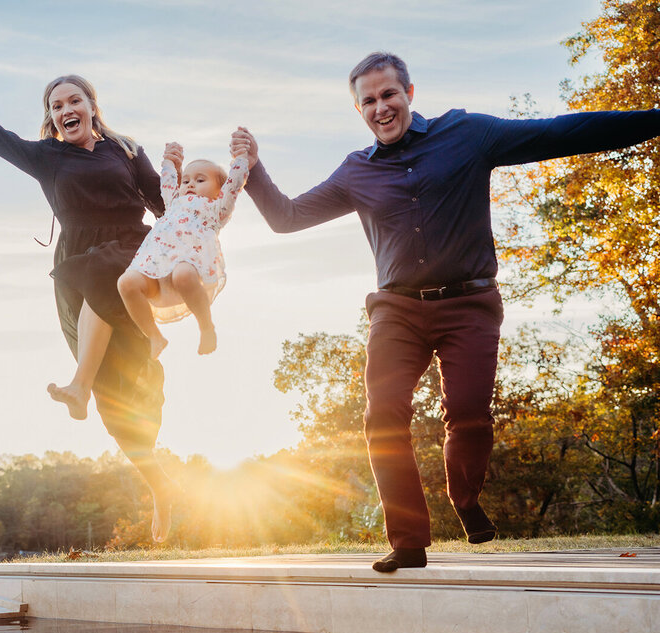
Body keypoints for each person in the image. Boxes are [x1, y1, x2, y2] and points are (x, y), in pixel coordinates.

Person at [230, 51, 660, 572]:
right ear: (359, 110)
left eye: (388, 95)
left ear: (409, 94)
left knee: (470, 416)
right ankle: (409, 541)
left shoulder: (467, 135)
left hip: (469, 305)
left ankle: (465, 498)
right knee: (381, 417)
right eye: (367, 101)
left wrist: (652, 119)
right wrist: (253, 170)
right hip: (397, 311)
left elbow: (558, 132)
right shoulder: (356, 171)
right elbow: (287, 218)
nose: (380, 108)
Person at [0, 48, 178, 541]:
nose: (64, 109)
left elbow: (162, 205)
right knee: (119, 399)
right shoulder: (46, 157)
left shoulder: (128, 150)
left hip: (130, 254)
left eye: (73, 100)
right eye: (55, 105)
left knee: (126, 339)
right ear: (51, 118)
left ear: (92, 105)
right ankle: (159, 488)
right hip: (77, 266)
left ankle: (77, 386)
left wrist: (192, 233)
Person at [117, 145, 249, 359]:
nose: (190, 185)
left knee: (183, 275)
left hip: (187, 263)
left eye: (200, 180)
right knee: (125, 283)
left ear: (218, 191)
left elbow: (234, 184)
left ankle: (206, 327)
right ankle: (154, 336)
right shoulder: (173, 204)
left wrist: (240, 159)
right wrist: (170, 162)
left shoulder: (217, 209)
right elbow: (168, 184)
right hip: (156, 265)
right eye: (186, 180)